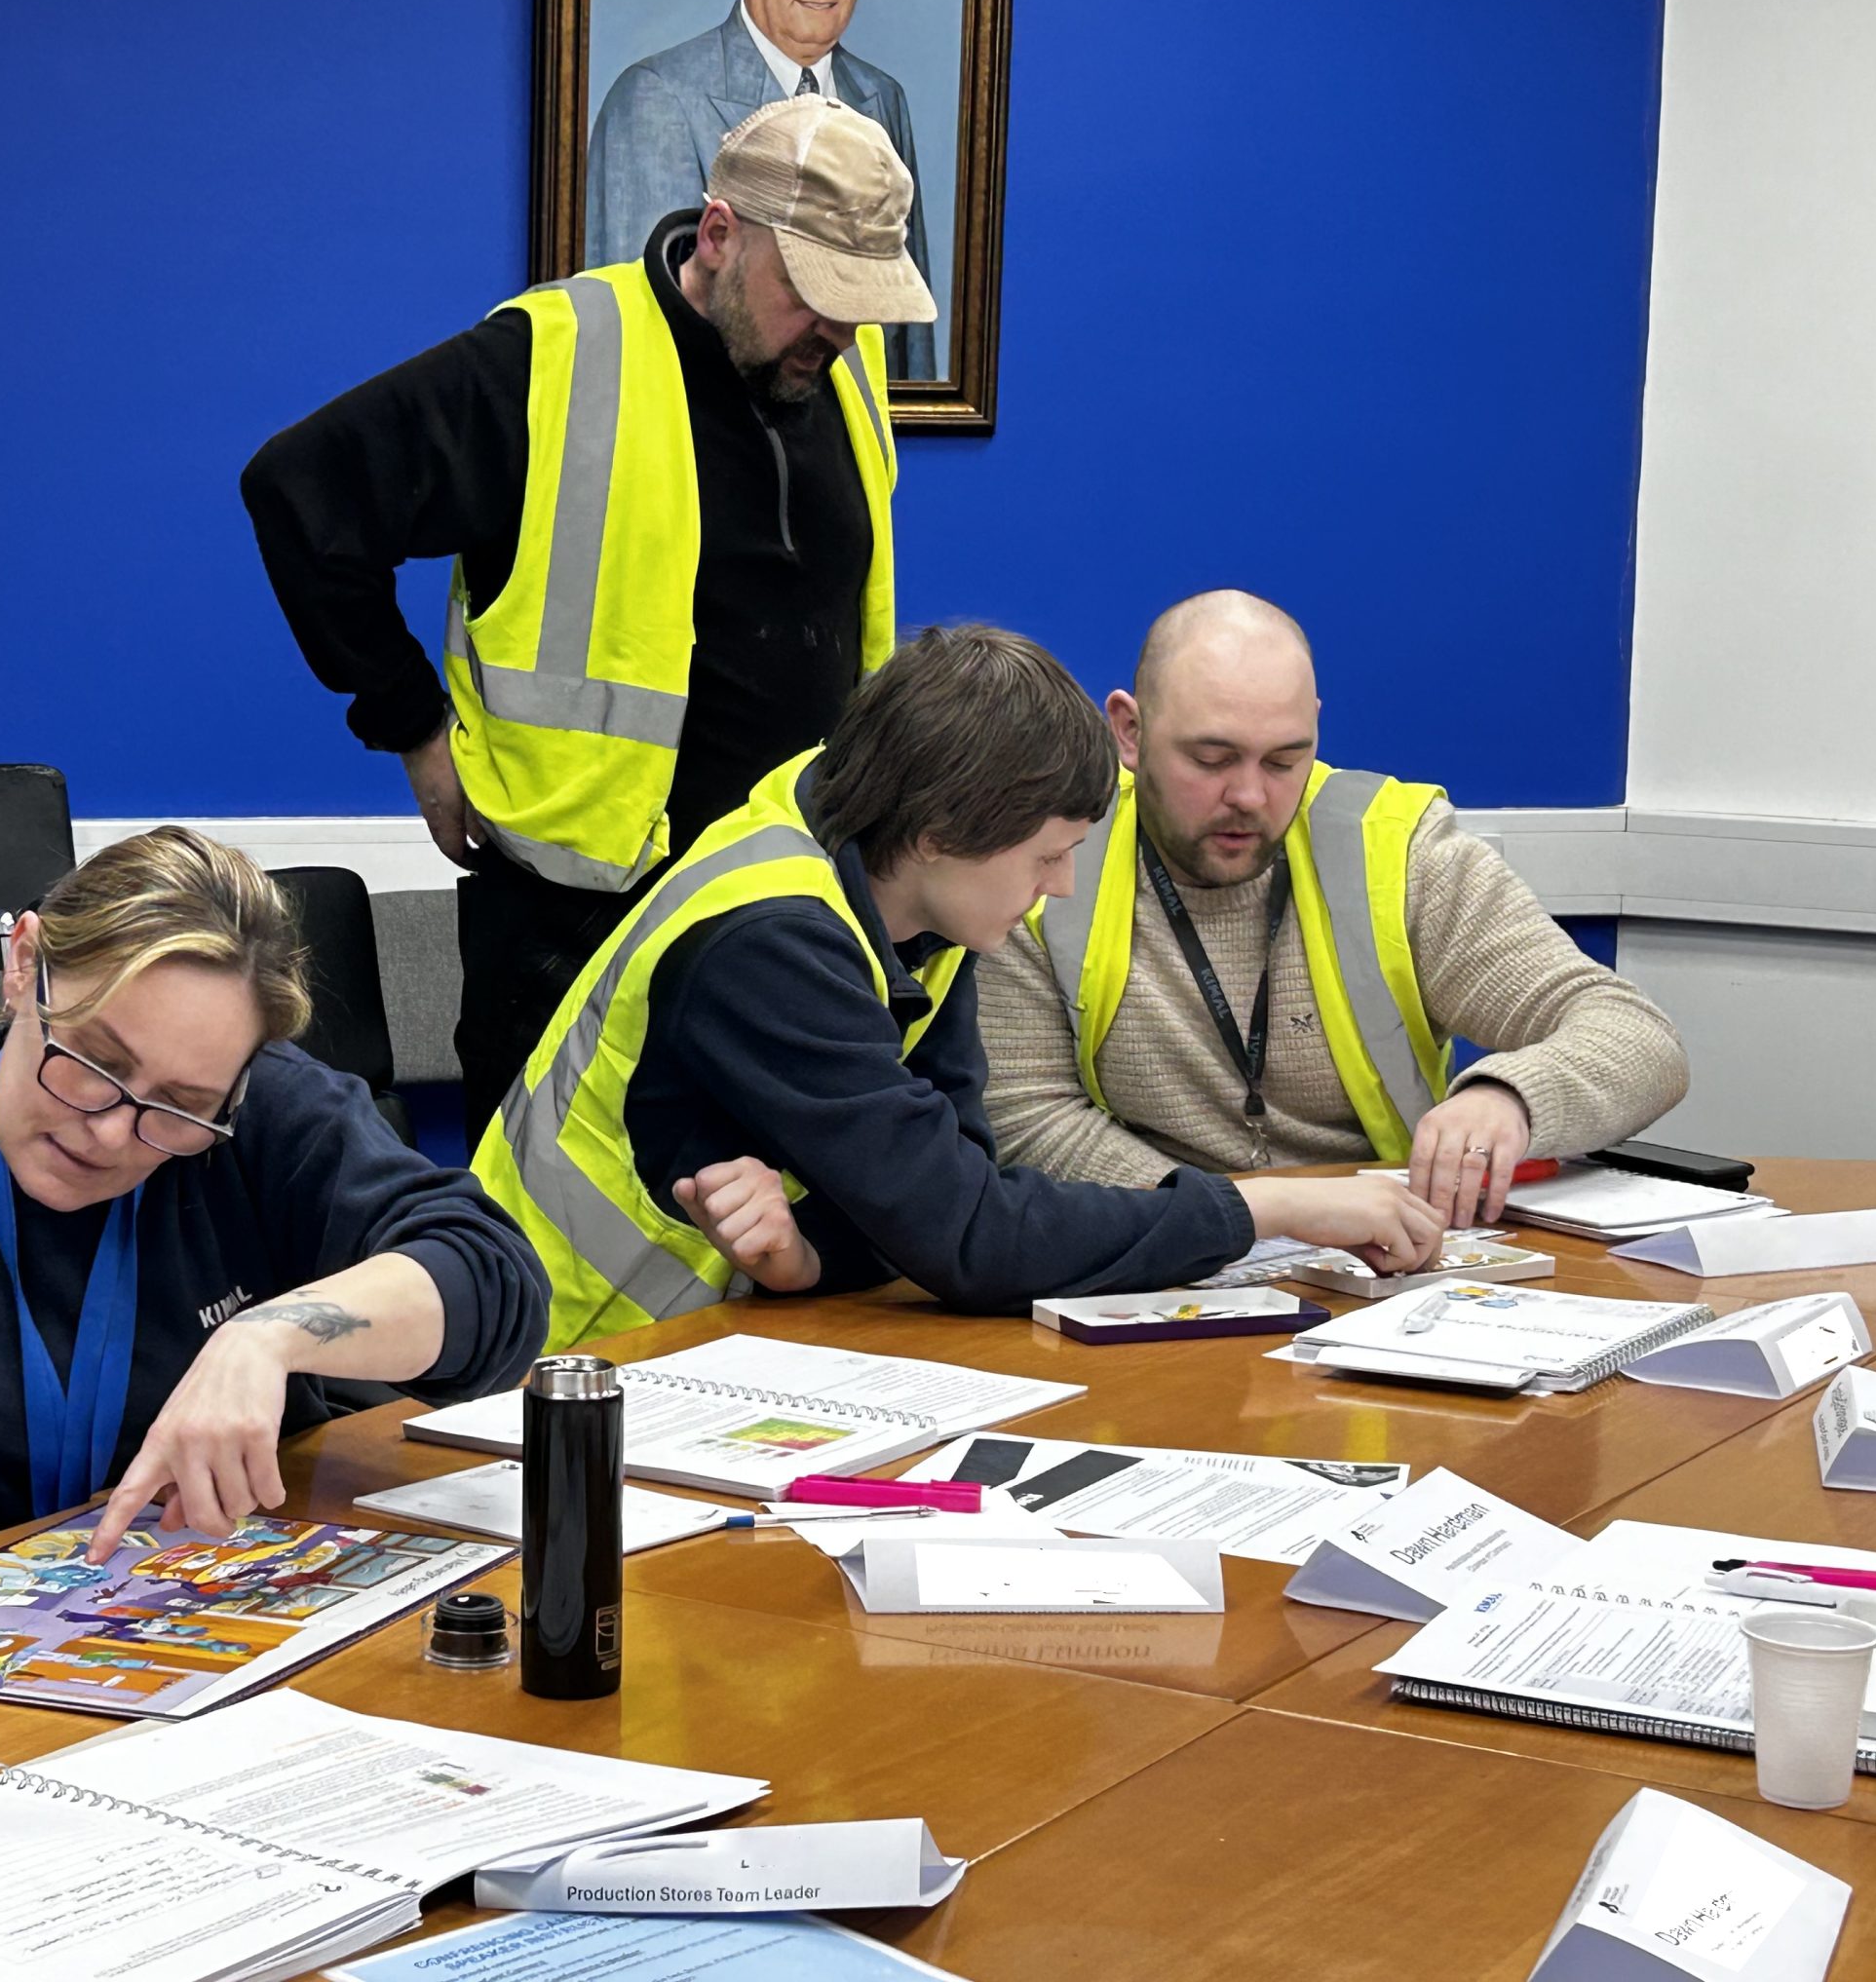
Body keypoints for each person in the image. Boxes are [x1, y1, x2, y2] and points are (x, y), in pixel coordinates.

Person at [246, 92, 935, 1145]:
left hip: (785, 910)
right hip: (576, 924)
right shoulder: (556, 356)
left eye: (863, 304)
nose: (839, 332)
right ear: (720, 234)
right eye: (814, 293)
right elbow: (300, 492)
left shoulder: (838, 362)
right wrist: (414, 728)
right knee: (549, 1263)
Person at [472, 626, 1444, 1349]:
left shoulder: (907, 884)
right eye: (1046, 856)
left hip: (695, 1343)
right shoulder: (772, 944)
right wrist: (1261, 1210)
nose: (1060, 887)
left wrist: (808, 1257)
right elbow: (969, 1234)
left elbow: (940, 1182)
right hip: (546, 1356)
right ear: (942, 832)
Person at [0, 827, 549, 1566]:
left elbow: (493, 1281)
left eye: (179, 1107)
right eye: (94, 1063)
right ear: (25, 966)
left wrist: (265, 1339)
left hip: (210, 1614)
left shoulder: (264, 1112)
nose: (110, 1133)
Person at [977, 591, 1692, 1223]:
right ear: (1129, 732)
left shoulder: (1396, 849)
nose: (1250, 797)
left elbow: (1638, 1039)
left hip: (1388, 1256)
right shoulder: (1050, 855)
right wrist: (1250, 1216)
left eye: (1284, 760)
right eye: (1211, 759)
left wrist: (1509, 1099)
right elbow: (1024, 1119)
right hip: (1157, 1249)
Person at [588, 0, 937, 380]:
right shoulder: (656, 98)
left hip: (842, 443)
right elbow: (645, 335)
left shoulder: (882, 98)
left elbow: (901, 327)